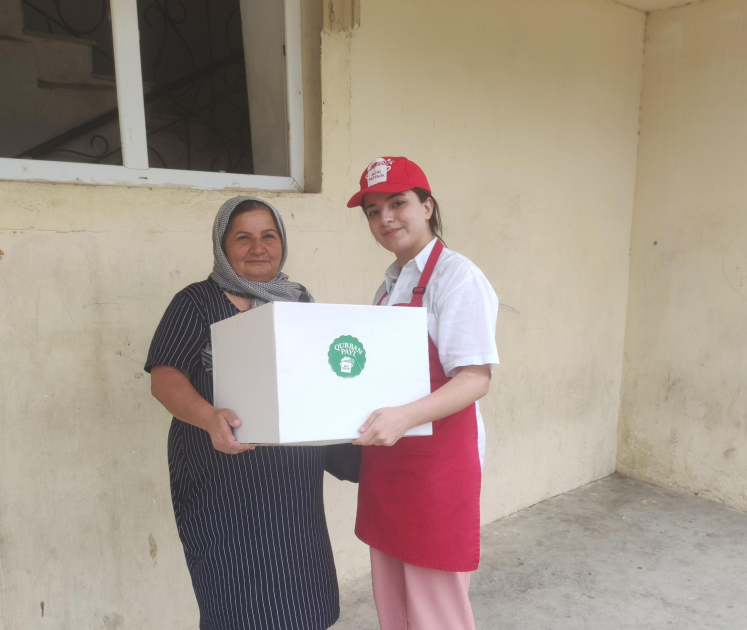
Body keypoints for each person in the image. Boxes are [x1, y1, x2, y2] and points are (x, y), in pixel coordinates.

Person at [145, 196, 359, 630]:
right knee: (237, 599)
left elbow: (319, 379)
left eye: (269, 236)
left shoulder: (298, 302)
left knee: (302, 596)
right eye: (243, 237)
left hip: (292, 485)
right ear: (222, 246)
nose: (258, 247)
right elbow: (165, 378)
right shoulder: (197, 302)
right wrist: (209, 418)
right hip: (224, 479)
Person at [348, 158, 499, 630]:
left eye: (398, 203)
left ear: (427, 207)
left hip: (436, 470)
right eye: (373, 211)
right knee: (394, 608)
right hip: (389, 465)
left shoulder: (457, 277)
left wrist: (403, 418)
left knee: (436, 615)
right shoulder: (389, 286)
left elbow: (474, 378)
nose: (386, 218)